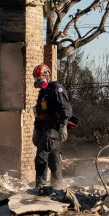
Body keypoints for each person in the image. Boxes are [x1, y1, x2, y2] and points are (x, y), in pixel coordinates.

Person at [31, 63, 72, 191]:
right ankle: (57, 186)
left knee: (41, 157)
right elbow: (40, 113)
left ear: (47, 76)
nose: (38, 83)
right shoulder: (44, 92)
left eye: (40, 80)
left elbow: (65, 108)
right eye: (36, 80)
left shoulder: (56, 88)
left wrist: (63, 126)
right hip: (44, 128)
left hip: (53, 129)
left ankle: (40, 186)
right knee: (54, 159)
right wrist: (36, 130)